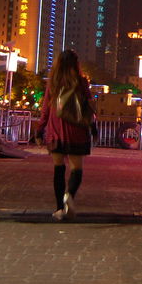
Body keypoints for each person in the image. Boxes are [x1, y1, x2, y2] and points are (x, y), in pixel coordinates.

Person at [39, 49, 94, 221]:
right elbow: (89, 106)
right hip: (77, 129)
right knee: (76, 168)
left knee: (58, 169)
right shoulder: (81, 82)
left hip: (56, 129)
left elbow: (46, 109)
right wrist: (93, 126)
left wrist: (40, 128)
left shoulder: (53, 82)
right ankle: (69, 195)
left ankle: (58, 209)